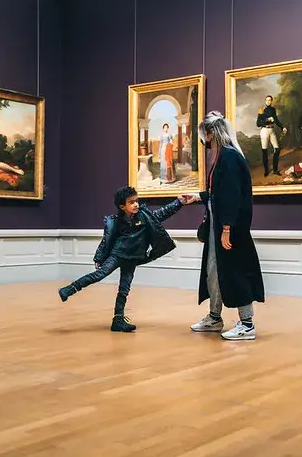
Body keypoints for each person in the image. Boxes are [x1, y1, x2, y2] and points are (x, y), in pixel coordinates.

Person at [181, 111, 265, 340]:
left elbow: (231, 196)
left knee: (235, 272)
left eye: (204, 135)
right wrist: (198, 197)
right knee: (214, 273)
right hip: (220, 226)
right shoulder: (226, 156)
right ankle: (215, 318)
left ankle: (247, 325)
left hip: (228, 228)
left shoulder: (228, 157)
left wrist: (226, 228)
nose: (204, 140)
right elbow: (219, 193)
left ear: (210, 133)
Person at [57, 186, 184, 332]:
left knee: (124, 289)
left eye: (137, 201)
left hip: (132, 258)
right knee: (99, 275)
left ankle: (118, 320)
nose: (136, 204)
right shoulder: (115, 222)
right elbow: (106, 241)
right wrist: (99, 257)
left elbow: (163, 213)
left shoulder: (145, 216)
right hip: (118, 255)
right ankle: (69, 289)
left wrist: (178, 202)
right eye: (131, 202)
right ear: (122, 206)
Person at [257, 95, 287, 176]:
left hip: (272, 130)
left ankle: (275, 170)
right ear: (265, 101)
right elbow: (258, 124)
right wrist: (267, 120)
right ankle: (266, 170)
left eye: (270, 100)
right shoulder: (261, 110)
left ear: (271, 101)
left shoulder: (273, 110)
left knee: (277, 149)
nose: (268, 101)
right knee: (265, 151)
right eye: (267, 100)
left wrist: (282, 127)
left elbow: (276, 120)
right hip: (264, 131)